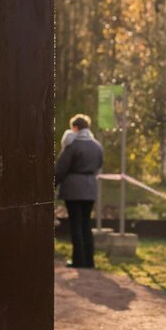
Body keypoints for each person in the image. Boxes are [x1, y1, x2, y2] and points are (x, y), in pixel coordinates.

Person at [55, 114, 104, 269]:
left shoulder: (73, 145)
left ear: (75, 127)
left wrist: (53, 183)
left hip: (73, 188)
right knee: (86, 224)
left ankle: (78, 260)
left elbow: (61, 167)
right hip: (90, 188)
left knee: (75, 224)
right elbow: (99, 164)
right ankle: (89, 261)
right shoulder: (97, 145)